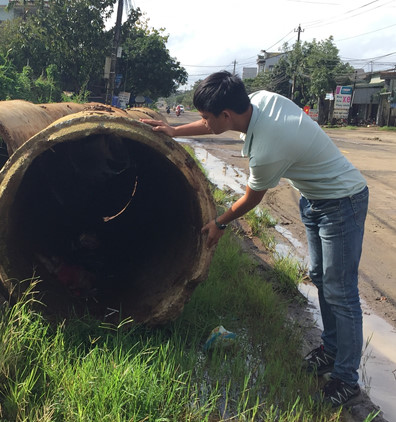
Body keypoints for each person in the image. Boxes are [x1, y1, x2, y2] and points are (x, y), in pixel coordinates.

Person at [141, 71, 369, 408]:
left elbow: (251, 199)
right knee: (322, 278)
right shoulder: (258, 102)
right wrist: (175, 130)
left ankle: (346, 379)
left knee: (341, 290)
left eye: (205, 116)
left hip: (342, 202)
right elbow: (212, 125)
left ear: (227, 116)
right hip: (314, 198)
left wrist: (219, 221)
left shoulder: (267, 147)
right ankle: (331, 350)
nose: (203, 121)